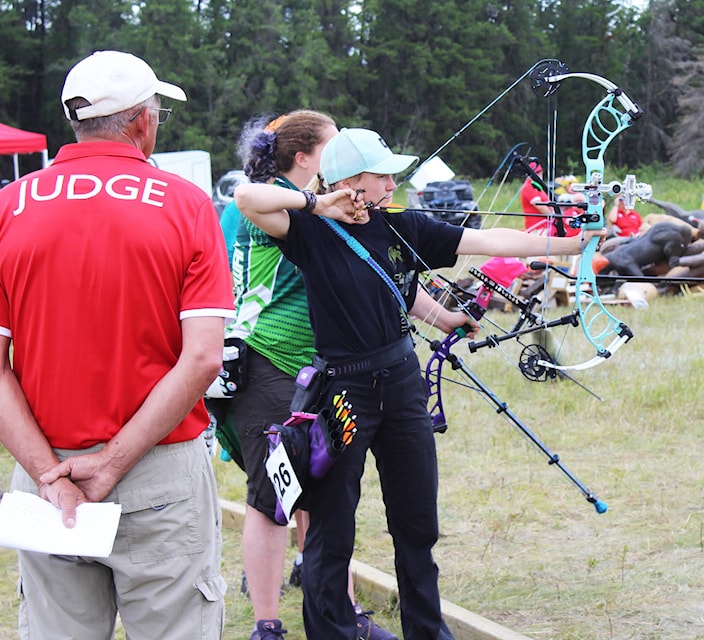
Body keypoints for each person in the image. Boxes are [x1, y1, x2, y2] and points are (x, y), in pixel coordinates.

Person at [234, 127, 604, 640]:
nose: (392, 182)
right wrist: (318, 202)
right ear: (351, 181)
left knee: (416, 525)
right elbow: (246, 196)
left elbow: (488, 238)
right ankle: (333, 632)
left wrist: (571, 243)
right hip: (342, 391)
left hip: (403, 383)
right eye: (381, 174)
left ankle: (427, 632)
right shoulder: (309, 231)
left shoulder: (402, 225)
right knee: (332, 528)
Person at [0, 50, 234, 638]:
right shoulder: (185, 203)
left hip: (45, 469)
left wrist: (49, 474)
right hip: (157, 471)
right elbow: (203, 355)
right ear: (142, 121)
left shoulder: (9, 206)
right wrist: (111, 462)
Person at [219, 110, 400, 640]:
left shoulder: (317, 204)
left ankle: (341, 616)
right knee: (272, 498)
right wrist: (321, 204)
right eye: (333, 148)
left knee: (321, 494)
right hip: (267, 361)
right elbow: (247, 201)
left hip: (314, 368)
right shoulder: (277, 198)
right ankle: (268, 626)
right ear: (304, 158)